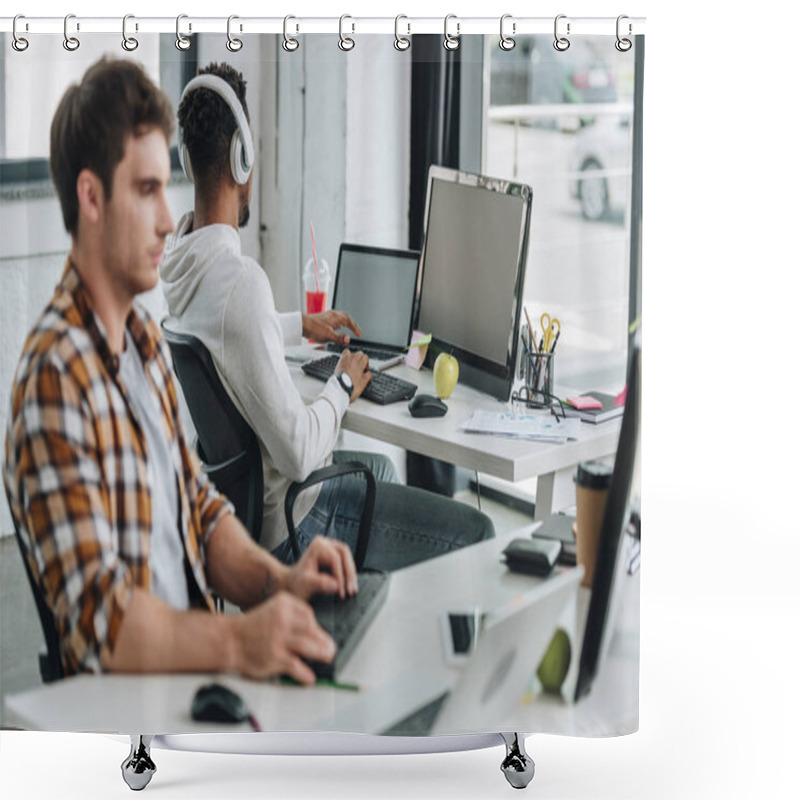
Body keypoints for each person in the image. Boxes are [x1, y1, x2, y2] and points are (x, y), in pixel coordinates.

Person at [2, 58, 357, 686]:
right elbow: (106, 626)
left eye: (165, 187)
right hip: (138, 710)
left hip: (192, 673)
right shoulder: (55, 381)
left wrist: (281, 581)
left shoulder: (139, 340)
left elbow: (199, 510)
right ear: (91, 197)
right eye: (145, 191)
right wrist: (242, 638)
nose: (170, 220)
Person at [160, 63, 494, 571]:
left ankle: (365, 621)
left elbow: (231, 329)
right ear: (242, 159)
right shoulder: (240, 283)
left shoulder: (183, 268)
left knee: (378, 467)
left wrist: (299, 324)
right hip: (293, 525)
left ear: (188, 160)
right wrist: (340, 386)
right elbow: (297, 453)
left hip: (239, 517)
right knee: (478, 530)